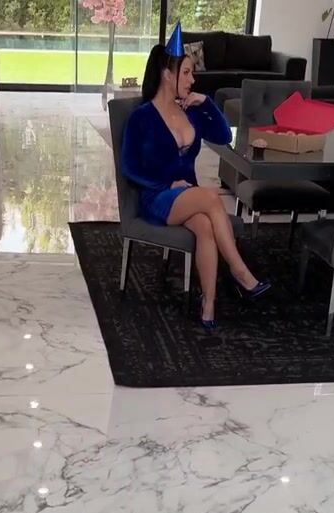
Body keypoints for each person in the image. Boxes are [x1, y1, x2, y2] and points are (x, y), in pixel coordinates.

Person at [121, 23, 270, 329]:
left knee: (204, 226)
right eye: (186, 72)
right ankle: (240, 272)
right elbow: (129, 168)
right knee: (212, 196)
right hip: (157, 198)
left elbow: (222, 136)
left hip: (189, 196)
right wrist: (165, 184)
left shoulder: (190, 110)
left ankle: (208, 305)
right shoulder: (142, 117)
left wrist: (207, 103)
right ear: (167, 74)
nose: (192, 79)